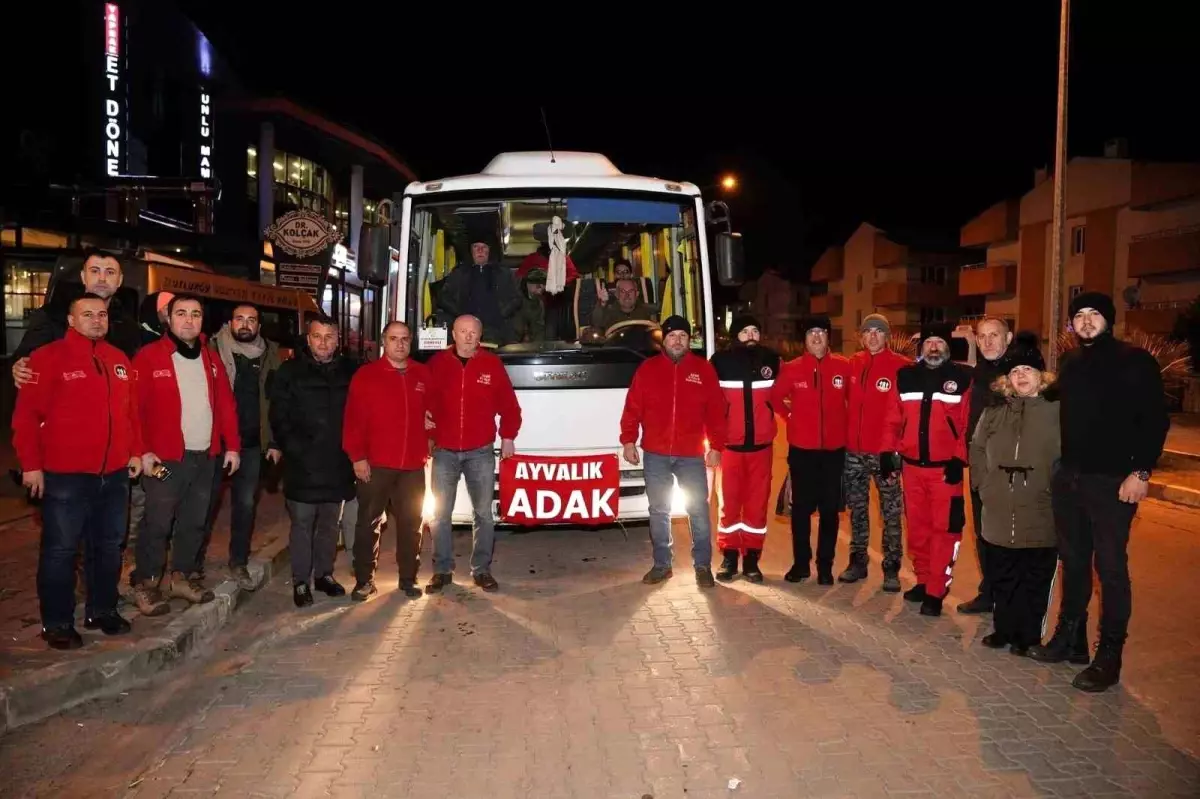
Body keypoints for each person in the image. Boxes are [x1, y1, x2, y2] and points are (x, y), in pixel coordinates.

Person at [1030, 292, 1169, 692]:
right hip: (1071, 478)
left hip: (1111, 481)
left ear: (1109, 320)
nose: (1087, 321)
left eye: (1094, 314)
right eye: (1079, 315)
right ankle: (1070, 639)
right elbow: (1051, 398)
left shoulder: (1134, 361)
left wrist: (1140, 472)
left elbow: (1155, 420)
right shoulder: (1071, 363)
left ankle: (1109, 655)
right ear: (1072, 324)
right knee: (1073, 562)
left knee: (1110, 569)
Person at [11, 295, 144, 648]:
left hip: (114, 475)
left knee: (109, 547)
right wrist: (31, 466)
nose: (97, 320)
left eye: (102, 314)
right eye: (87, 314)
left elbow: (130, 413)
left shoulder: (118, 359)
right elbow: (26, 418)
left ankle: (102, 610)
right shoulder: (47, 358)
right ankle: (56, 623)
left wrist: (134, 451)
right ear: (71, 320)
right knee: (61, 550)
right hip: (65, 476)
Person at [132, 295, 241, 613]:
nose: (189, 320)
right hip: (164, 460)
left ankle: (181, 577)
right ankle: (147, 583)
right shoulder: (149, 357)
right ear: (168, 319)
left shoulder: (211, 357)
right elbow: (133, 410)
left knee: (195, 522)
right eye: (181, 313)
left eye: (195, 314)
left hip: (205, 457)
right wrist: (142, 451)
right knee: (157, 523)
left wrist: (233, 446)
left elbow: (226, 405)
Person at [970, 333, 1060, 655]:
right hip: (998, 506)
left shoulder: (1057, 412)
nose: (1021, 376)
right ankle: (1004, 629)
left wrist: (1055, 490)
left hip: (1039, 508)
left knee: (1033, 577)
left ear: (1041, 376)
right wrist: (983, 485)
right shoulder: (994, 411)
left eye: (1027, 370)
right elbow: (977, 448)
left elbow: (1068, 458)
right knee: (1002, 572)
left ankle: (1028, 636)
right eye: (1015, 371)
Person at [620, 315, 725, 587]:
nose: (677, 341)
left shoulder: (703, 370)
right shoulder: (648, 369)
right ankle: (662, 565)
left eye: (682, 336)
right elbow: (632, 407)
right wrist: (628, 440)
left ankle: (703, 566)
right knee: (659, 510)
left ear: (689, 340)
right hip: (656, 453)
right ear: (663, 340)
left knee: (698, 510)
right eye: (672, 336)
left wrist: (716, 446)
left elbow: (716, 412)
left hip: (691, 455)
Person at [880, 323, 974, 617]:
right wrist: (887, 452)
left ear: (948, 347)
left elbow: (968, 424)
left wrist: (959, 458)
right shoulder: (906, 376)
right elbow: (892, 418)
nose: (934, 347)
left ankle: (936, 589)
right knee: (918, 530)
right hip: (912, 469)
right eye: (929, 342)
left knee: (944, 531)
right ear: (921, 347)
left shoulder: (962, 379)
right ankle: (923, 580)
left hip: (945, 471)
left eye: (939, 342)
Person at [425, 315, 522, 593]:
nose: (468, 337)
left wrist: (508, 437)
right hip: (444, 451)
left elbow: (510, 406)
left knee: (484, 514)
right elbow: (422, 398)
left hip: (480, 451)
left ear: (480, 336)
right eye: (463, 331)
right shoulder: (437, 364)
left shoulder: (492, 364)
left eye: (473, 332)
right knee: (440, 515)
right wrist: (425, 422)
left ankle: (481, 570)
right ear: (453, 334)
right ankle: (442, 570)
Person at [269, 315, 358, 607]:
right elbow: (278, 416)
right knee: (302, 525)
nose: (323, 342)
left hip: (337, 464)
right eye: (317, 336)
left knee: (330, 526)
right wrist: (294, 449)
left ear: (338, 340)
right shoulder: (289, 372)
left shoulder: (351, 371)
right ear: (308, 339)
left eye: (329, 337)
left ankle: (324, 575)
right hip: (302, 465)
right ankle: (300, 581)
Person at [343, 321, 431, 601]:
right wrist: (357, 457)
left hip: (412, 466)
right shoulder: (366, 376)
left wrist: (432, 433)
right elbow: (353, 421)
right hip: (376, 464)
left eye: (405, 338)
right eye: (394, 338)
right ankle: (364, 580)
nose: (400, 344)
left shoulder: (423, 374)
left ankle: (408, 578)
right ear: (384, 342)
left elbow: (436, 411)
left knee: (411, 524)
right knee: (368, 523)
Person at [203, 303, 283, 591]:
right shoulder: (211, 350)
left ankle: (238, 561)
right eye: (240, 319)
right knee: (203, 505)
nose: (245, 324)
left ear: (259, 326)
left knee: (245, 506)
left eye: (251, 320)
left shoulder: (270, 355)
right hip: (214, 442)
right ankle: (189, 568)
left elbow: (276, 401)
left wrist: (274, 441)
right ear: (230, 322)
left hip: (251, 444)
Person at [770, 316, 850, 585]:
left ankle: (825, 566)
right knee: (801, 511)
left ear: (828, 337)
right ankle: (801, 564)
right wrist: (790, 417)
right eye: (811, 333)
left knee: (829, 512)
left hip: (833, 452)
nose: (816, 337)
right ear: (804, 339)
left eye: (821, 332)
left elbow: (855, 401)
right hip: (802, 451)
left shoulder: (843, 367)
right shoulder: (792, 369)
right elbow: (774, 398)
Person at [840, 313, 908, 592]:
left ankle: (891, 567)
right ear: (861, 336)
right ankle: (858, 561)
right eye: (868, 331)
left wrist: (897, 448)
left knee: (890, 512)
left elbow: (908, 411)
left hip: (885, 454)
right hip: (853, 452)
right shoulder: (853, 363)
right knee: (857, 509)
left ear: (887, 336)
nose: (873, 336)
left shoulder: (901, 366)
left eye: (878, 331)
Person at [710, 314, 780, 582]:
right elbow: (710, 405)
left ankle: (751, 558)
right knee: (728, 504)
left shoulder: (772, 360)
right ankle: (729, 557)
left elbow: (786, 394)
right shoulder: (720, 362)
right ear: (735, 336)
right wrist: (713, 442)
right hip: (730, 448)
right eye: (744, 331)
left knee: (757, 505)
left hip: (762, 447)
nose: (751, 336)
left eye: (755, 331)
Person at [959, 316, 1013, 615]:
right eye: (982, 336)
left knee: (1009, 536)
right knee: (983, 533)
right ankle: (988, 592)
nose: (988, 341)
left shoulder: (1019, 374)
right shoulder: (975, 375)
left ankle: (1008, 597)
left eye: (995, 335)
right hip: (981, 469)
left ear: (1008, 338)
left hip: (1011, 470)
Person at [435, 224, 522, 346]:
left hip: (497, 332)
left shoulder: (504, 274)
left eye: (484, 247)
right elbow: (443, 297)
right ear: (471, 251)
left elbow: (516, 299)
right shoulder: (459, 273)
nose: (480, 250)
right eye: (476, 247)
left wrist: (501, 313)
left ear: (490, 251)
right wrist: (460, 314)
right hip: (466, 332)